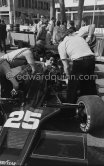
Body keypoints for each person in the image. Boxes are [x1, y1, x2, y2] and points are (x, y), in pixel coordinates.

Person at [58, 27, 97, 103]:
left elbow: (66, 66)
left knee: (72, 87)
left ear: (58, 40)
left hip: (80, 62)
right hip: (91, 59)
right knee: (89, 83)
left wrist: (68, 78)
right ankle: (93, 104)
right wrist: (89, 37)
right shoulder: (78, 36)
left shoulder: (61, 45)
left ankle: (69, 109)